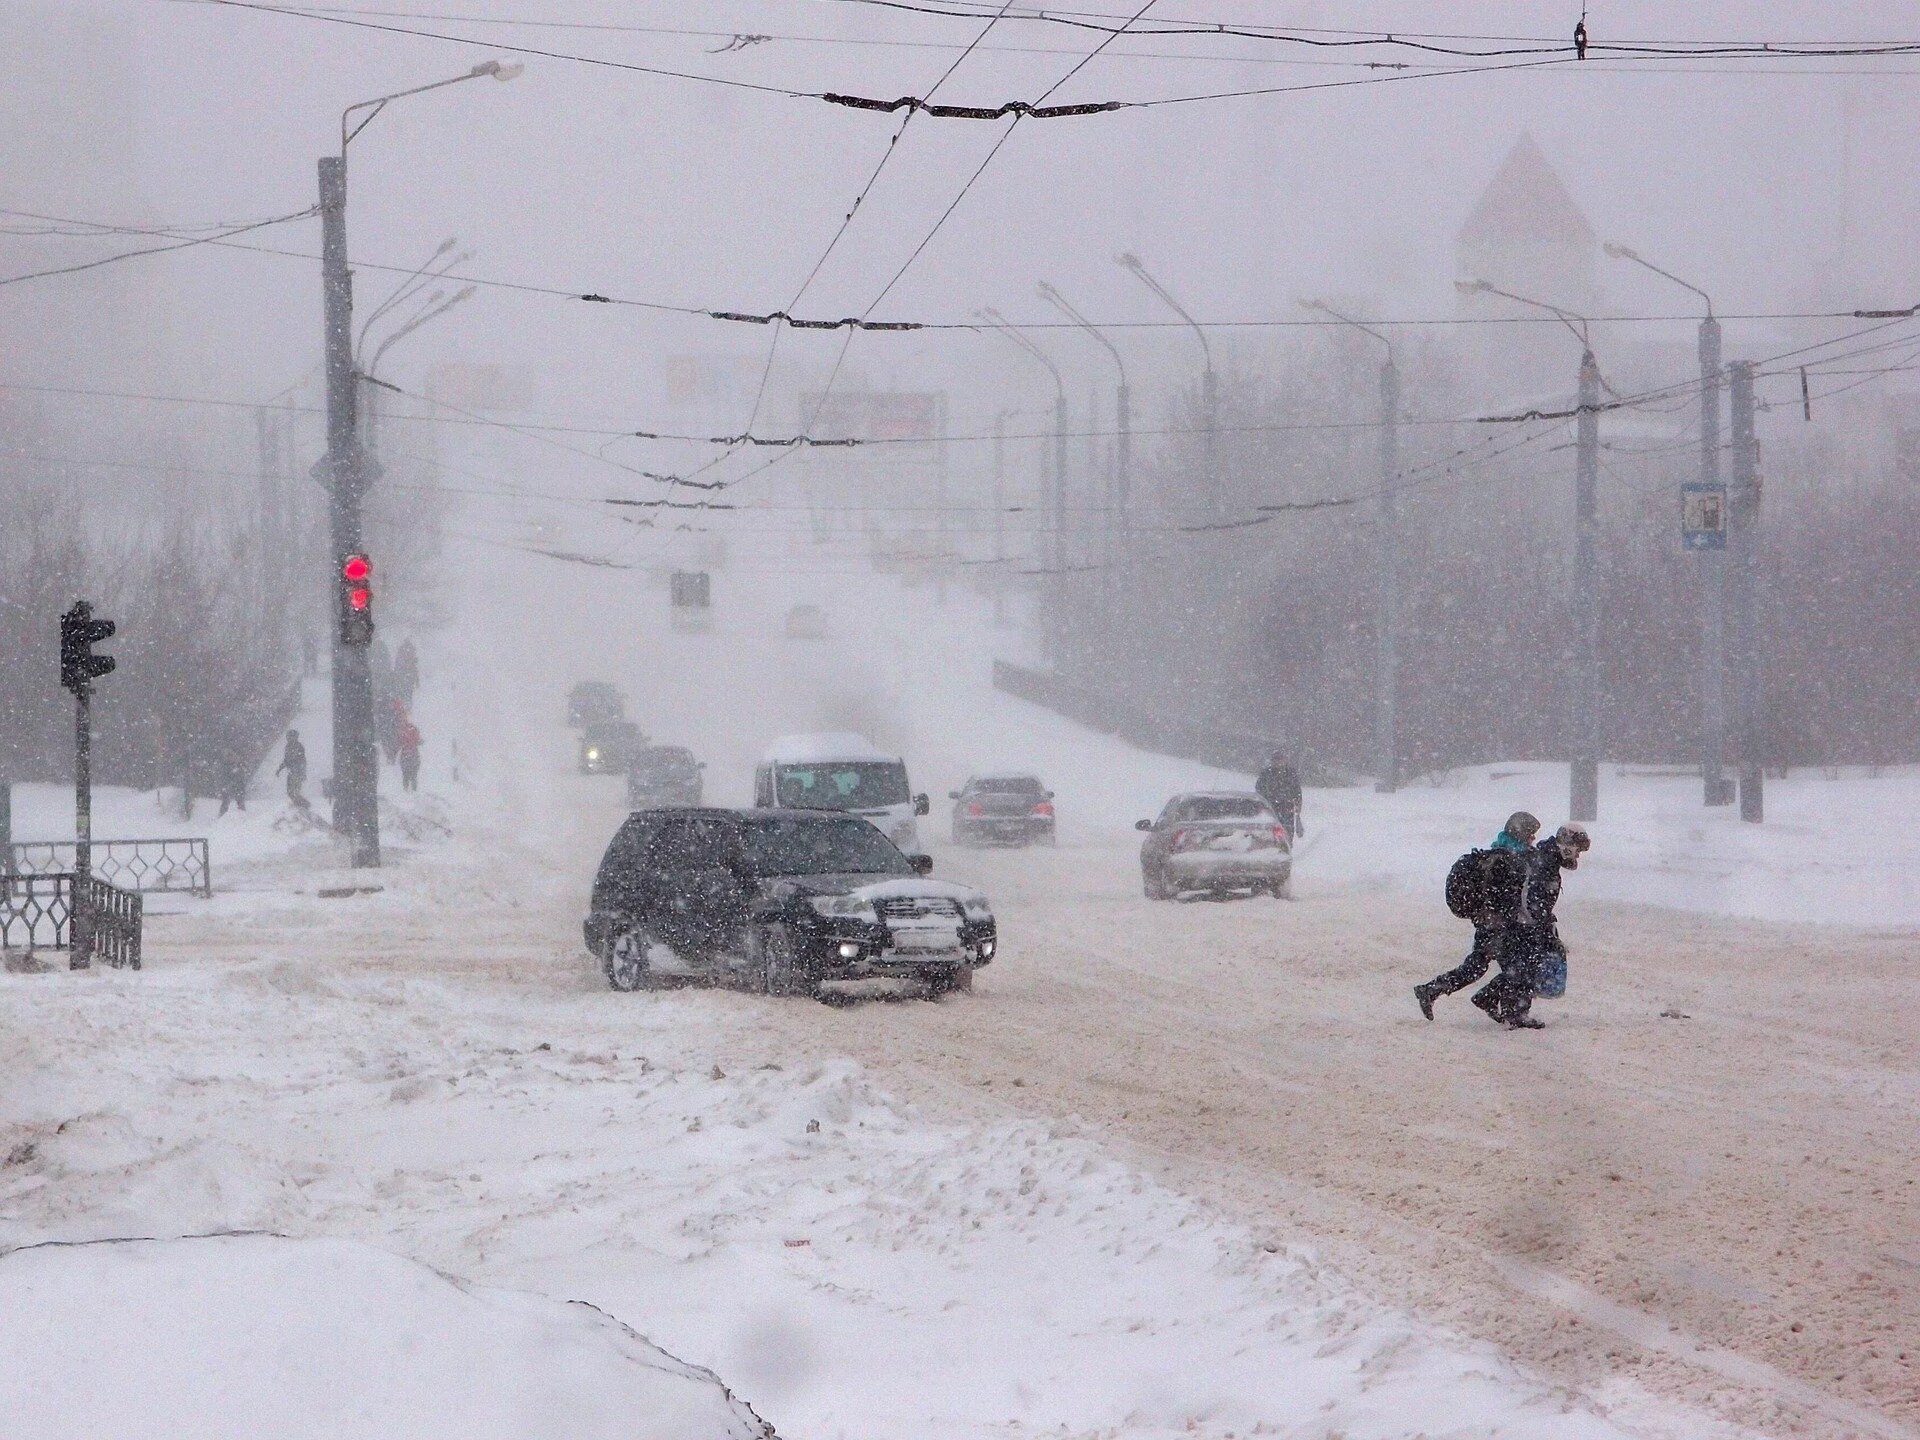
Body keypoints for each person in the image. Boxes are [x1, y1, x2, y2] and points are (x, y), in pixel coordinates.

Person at [1415, 811, 1539, 1020]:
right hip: (1497, 924)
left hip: (1489, 922)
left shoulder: (1499, 853)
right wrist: (1512, 920)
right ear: (1520, 833)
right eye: (1530, 834)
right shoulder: (1507, 859)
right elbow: (1503, 897)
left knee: (1479, 967)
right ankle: (1512, 1011)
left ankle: (1432, 990)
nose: (1533, 839)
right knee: (1517, 968)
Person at [1472, 822, 1591, 1030]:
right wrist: (1539, 923)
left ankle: (1493, 999)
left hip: (1525, 921)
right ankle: (1514, 1012)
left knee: (1523, 966)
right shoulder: (1545, 860)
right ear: (1567, 845)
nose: (1577, 856)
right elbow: (1531, 897)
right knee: (1529, 966)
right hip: (1524, 923)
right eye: (1577, 850)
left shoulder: (1547, 857)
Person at [1255, 751, 1303, 837]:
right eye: (1276, 760)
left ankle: (1287, 845)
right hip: (1270, 806)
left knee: (1287, 829)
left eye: (1280, 759)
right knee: (1270, 829)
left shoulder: (1291, 773)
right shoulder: (1266, 773)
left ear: (1285, 760)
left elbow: (1297, 790)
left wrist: (1298, 804)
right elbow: (1259, 788)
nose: (1278, 762)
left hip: (1287, 806)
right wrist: (1261, 802)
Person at [275, 729, 308, 809]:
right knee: (290, 792)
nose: (288, 738)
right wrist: (280, 769)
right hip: (291, 772)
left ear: (295, 737)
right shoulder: (288, 747)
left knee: (295, 792)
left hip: (297, 772)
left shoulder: (299, 746)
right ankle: (301, 805)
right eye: (288, 737)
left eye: (290, 736)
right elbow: (286, 760)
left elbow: (302, 760)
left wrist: (303, 773)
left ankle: (301, 806)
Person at [397, 717, 422, 793]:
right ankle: (414, 790)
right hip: (414, 753)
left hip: (405, 754)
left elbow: (399, 742)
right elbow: (419, 741)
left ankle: (406, 790)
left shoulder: (401, 731)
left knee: (405, 773)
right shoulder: (414, 729)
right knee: (414, 774)